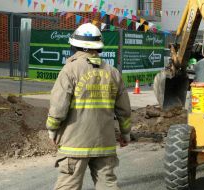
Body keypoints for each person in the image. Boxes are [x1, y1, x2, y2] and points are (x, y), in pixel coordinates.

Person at [46, 23, 131, 190]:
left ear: (75, 45)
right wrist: (125, 133)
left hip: (74, 144)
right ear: (98, 47)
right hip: (105, 143)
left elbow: (58, 106)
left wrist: (52, 129)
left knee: (68, 186)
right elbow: (124, 110)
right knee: (107, 185)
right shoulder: (113, 72)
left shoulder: (70, 70)